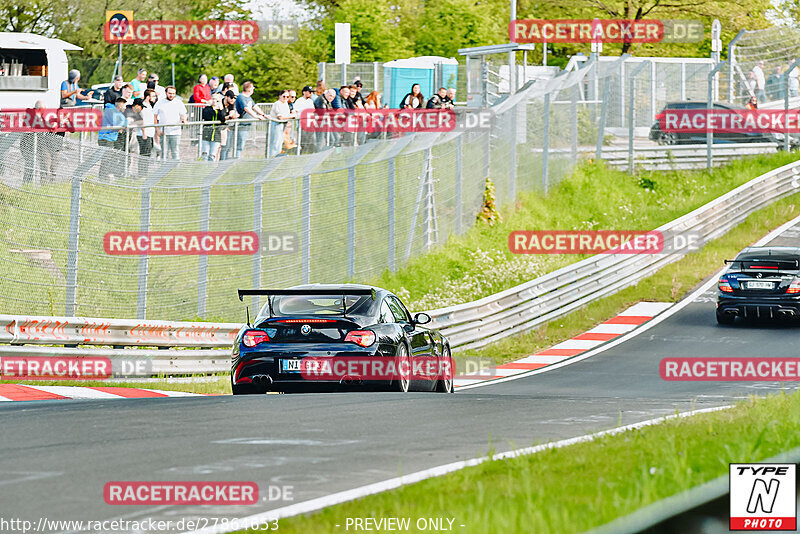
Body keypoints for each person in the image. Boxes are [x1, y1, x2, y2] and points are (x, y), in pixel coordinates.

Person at [234, 81, 267, 158]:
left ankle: (237, 158)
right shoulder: (241, 97)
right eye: (252, 87)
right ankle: (235, 159)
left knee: (243, 143)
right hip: (242, 124)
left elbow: (254, 106)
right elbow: (246, 108)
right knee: (239, 144)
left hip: (247, 124)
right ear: (248, 88)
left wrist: (263, 115)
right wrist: (255, 116)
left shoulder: (248, 98)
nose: (253, 89)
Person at [153, 86, 187, 160]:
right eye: (170, 93)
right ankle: (164, 169)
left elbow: (183, 114)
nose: (171, 95)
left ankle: (175, 170)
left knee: (175, 152)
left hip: (176, 132)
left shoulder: (179, 103)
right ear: (166, 93)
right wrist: (157, 129)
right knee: (164, 153)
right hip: (164, 132)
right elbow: (155, 117)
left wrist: (184, 119)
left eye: (173, 93)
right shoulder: (159, 103)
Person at [97, 97, 128, 180]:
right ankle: (103, 177)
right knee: (106, 158)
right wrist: (120, 127)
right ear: (120, 105)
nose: (125, 107)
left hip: (111, 138)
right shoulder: (110, 111)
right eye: (124, 105)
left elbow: (125, 123)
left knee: (109, 158)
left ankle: (104, 176)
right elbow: (115, 124)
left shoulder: (118, 113)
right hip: (105, 138)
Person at [268, 90, 296, 157]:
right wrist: (291, 116)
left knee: (280, 141)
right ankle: (272, 156)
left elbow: (287, 114)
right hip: (276, 124)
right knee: (275, 141)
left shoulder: (285, 104)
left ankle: (278, 155)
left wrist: (291, 116)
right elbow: (280, 117)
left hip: (283, 124)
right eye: (284, 96)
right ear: (280, 96)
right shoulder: (277, 104)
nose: (286, 98)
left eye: (287, 96)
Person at [201, 93, 226, 161]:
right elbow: (206, 116)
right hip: (206, 134)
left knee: (212, 155)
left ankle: (210, 169)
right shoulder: (207, 108)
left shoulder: (221, 110)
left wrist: (220, 109)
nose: (215, 101)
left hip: (216, 135)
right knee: (205, 155)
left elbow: (223, 119)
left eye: (217, 100)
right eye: (213, 99)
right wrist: (213, 108)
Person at [135, 93, 155, 174]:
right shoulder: (142, 107)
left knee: (148, 153)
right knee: (144, 154)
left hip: (150, 133)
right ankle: (142, 173)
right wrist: (144, 133)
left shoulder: (150, 106)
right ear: (148, 97)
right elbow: (141, 120)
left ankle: (144, 172)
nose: (155, 98)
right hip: (143, 134)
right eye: (153, 96)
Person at [218, 90, 239, 161]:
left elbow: (232, 114)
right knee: (219, 148)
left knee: (226, 147)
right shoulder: (220, 103)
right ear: (226, 97)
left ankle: (223, 162)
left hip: (226, 128)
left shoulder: (231, 105)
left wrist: (231, 116)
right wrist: (230, 116)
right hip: (218, 128)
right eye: (231, 98)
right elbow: (222, 118)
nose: (233, 100)